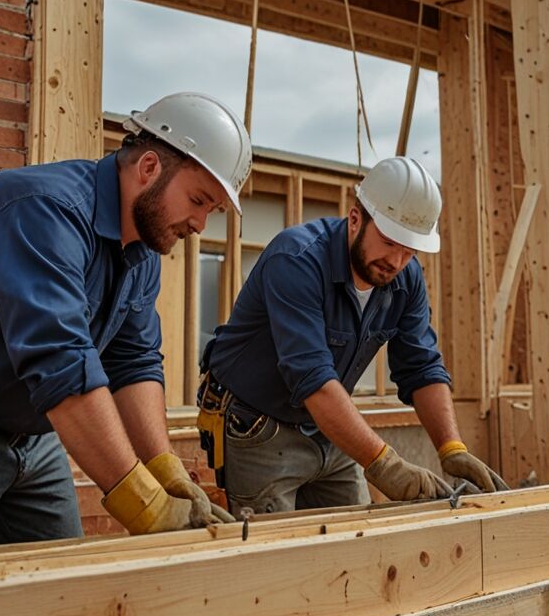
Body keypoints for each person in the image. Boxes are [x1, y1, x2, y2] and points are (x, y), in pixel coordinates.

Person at [0, 92, 251, 552]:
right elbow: (60, 361)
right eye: (198, 200)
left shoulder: (142, 253)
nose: (199, 224)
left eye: (211, 211)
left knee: (61, 591)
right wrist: (146, 506)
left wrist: (165, 470)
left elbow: (134, 362)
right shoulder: (43, 207)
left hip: (27, 433)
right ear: (150, 168)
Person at [199, 156, 508, 515]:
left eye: (410, 251)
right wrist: (385, 466)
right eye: (390, 242)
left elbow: (422, 366)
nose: (396, 261)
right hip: (258, 425)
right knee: (277, 555)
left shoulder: (405, 279)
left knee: (357, 546)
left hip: (328, 427)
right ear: (356, 219)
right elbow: (313, 379)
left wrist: (452, 448)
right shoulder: (296, 260)